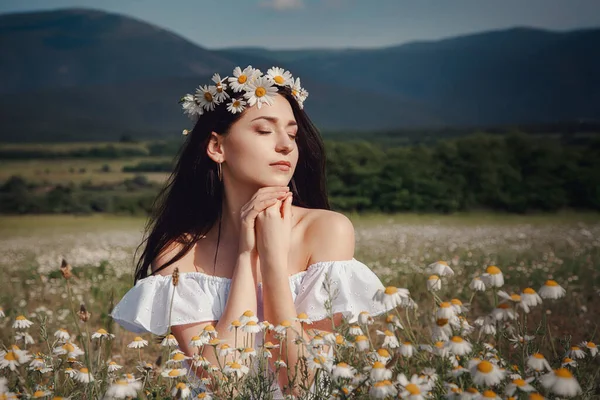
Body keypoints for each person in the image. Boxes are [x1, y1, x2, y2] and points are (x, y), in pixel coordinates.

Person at [110, 65, 394, 398]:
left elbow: (304, 386)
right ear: (217, 147)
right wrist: (246, 256)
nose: (285, 145)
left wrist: (272, 261)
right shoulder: (179, 253)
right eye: (264, 130)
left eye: (292, 133)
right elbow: (228, 385)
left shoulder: (326, 231)